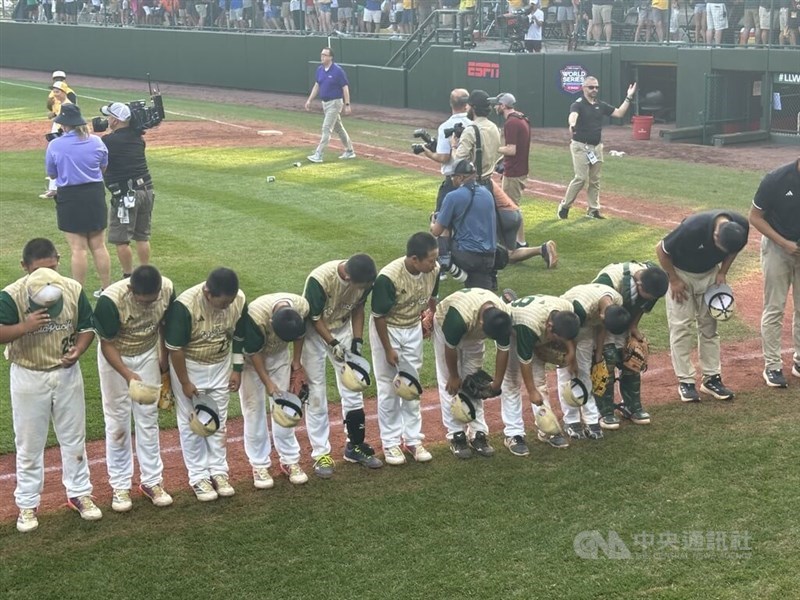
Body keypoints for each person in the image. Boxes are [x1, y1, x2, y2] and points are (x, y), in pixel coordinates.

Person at [1, 238, 99, 532]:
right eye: (40, 271)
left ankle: (80, 493)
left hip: (66, 373)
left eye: (53, 268)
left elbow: (86, 327)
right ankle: (27, 505)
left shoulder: (72, 289)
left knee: (74, 438)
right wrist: (24, 327)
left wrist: (79, 350)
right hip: (29, 375)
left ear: (59, 260)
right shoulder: (11, 296)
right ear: (24, 268)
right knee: (29, 444)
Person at [93, 265, 175, 512]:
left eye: (154, 299)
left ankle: (152, 482)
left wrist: (163, 359)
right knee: (117, 422)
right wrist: (127, 374)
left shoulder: (167, 289)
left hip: (146, 355)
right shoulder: (110, 301)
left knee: (147, 419)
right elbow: (107, 344)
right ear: (131, 289)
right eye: (144, 300)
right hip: (116, 360)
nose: (150, 305)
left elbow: (164, 325)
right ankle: (120, 485)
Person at [164, 267, 247, 501]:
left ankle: (219, 472)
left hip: (220, 364)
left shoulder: (238, 299)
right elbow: (175, 349)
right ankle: (198, 476)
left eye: (230, 302)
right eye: (222, 303)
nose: (227, 307)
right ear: (208, 293)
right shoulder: (185, 306)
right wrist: (184, 382)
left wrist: (237, 368)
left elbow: (240, 335)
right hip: (190, 366)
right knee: (192, 423)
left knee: (218, 419)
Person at [302, 254, 382, 478]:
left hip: (342, 327)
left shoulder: (365, 279)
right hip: (315, 333)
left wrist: (357, 341)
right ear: (347, 276)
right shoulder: (320, 280)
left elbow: (358, 307)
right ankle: (321, 454)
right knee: (316, 391)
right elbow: (315, 318)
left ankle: (354, 446)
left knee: (354, 386)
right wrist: (332, 343)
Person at [656, 210, 749, 402]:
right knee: (681, 327)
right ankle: (685, 381)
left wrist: (722, 271)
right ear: (715, 235)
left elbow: (733, 250)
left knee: (709, 326)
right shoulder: (692, 227)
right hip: (681, 274)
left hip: (710, 275)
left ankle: (711, 379)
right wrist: (673, 280)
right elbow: (661, 250)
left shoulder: (740, 227)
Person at [370, 232, 439, 466]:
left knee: (412, 386)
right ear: (413, 259)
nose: (434, 263)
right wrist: (388, 349)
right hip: (387, 329)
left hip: (412, 328)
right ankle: (390, 443)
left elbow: (433, 296)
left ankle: (412, 439)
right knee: (389, 386)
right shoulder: (388, 278)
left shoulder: (433, 270)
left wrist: (431, 315)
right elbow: (379, 317)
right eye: (430, 259)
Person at [235, 292, 311, 486]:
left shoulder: (301, 307)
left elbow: (299, 336)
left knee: (285, 408)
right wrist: (267, 382)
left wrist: (296, 364)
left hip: (279, 357)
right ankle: (259, 464)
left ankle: (290, 460)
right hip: (252, 362)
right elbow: (254, 352)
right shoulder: (255, 317)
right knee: (254, 410)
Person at [433, 288, 512, 459]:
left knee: (474, 383)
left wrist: (497, 383)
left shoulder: (503, 318)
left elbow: (503, 350)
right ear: (482, 324)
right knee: (450, 384)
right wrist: (454, 376)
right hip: (445, 328)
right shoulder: (458, 317)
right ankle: (456, 435)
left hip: (473, 335)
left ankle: (478, 433)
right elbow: (450, 347)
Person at [45, 103, 113, 298]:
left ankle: (78, 293)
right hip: (94, 194)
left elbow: (51, 173)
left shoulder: (55, 145)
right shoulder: (97, 142)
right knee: (99, 245)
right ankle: (107, 288)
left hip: (70, 196)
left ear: (64, 125)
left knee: (78, 248)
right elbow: (103, 167)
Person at [592, 261, 669, 428]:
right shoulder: (610, 280)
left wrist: (633, 327)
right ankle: (604, 410)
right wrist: (599, 351)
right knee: (608, 357)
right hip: (601, 320)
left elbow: (641, 305)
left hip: (623, 318)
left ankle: (631, 406)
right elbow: (600, 317)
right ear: (639, 284)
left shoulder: (655, 282)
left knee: (632, 358)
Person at [500, 293, 581, 453]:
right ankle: (513, 434)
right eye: (555, 338)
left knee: (540, 383)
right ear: (549, 326)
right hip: (513, 329)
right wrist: (531, 392)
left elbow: (569, 335)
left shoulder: (567, 309)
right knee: (511, 382)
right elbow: (525, 361)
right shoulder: (528, 325)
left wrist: (572, 355)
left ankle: (547, 429)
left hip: (536, 325)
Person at [748, 158, 800, 388]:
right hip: (777, 248)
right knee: (775, 307)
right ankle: (772, 366)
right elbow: (755, 217)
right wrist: (784, 243)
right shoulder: (776, 179)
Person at [556, 284, 630, 441]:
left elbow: (603, 327)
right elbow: (570, 333)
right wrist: (571, 356)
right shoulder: (581, 307)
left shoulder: (616, 301)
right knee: (567, 374)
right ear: (601, 314)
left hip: (588, 326)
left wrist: (598, 355)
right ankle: (571, 420)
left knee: (584, 373)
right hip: (566, 326)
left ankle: (591, 418)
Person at [491, 91, 558, 268]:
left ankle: (521, 245)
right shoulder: (521, 118)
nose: (495, 107)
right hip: (519, 169)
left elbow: (511, 150)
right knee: (514, 207)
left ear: (504, 105)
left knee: (510, 209)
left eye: (497, 104)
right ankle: (521, 242)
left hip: (513, 172)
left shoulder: (511, 123)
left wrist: (494, 148)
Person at [556, 76, 637, 220]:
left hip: (596, 147)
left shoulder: (600, 105)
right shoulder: (578, 104)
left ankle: (593, 210)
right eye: (591, 87)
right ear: (583, 88)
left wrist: (628, 97)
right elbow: (573, 116)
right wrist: (572, 124)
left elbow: (619, 113)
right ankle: (565, 206)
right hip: (580, 146)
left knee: (595, 180)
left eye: (596, 87)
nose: (594, 90)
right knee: (580, 178)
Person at [416, 88, 472, 273]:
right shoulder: (474, 125)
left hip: (452, 180)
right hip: (475, 180)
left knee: (441, 219)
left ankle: (445, 261)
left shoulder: (445, 127)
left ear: (451, 104)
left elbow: (444, 158)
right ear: (467, 104)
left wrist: (426, 151)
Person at [100, 102, 156, 280]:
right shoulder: (138, 139)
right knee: (142, 236)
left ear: (115, 121)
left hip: (126, 196)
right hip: (146, 190)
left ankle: (128, 277)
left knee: (121, 239)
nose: (107, 119)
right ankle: (146, 275)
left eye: (109, 116)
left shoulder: (109, 141)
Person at [430, 159, 497, 290]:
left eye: (452, 176)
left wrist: (432, 222)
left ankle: (447, 265)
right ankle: (490, 278)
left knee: (443, 226)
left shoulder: (453, 196)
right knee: (481, 295)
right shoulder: (487, 193)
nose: (451, 179)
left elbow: (437, 231)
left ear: (460, 177)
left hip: (467, 256)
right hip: (490, 257)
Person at [305, 48, 355, 163]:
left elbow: (345, 88)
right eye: (321, 55)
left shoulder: (338, 71)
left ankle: (319, 154)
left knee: (326, 128)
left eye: (325, 55)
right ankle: (350, 151)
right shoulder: (320, 70)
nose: (322, 57)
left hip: (335, 103)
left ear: (330, 57)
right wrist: (309, 100)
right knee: (339, 128)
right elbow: (317, 85)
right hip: (325, 104)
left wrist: (347, 104)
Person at [452, 89, 502, 187]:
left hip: (474, 185)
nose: (466, 107)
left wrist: (453, 146)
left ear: (473, 108)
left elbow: (459, 160)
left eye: (468, 105)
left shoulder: (470, 130)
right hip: (489, 183)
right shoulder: (494, 127)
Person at [41, 72, 77, 199]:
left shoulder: (68, 103)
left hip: (63, 131)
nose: (54, 94)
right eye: (54, 91)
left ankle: (55, 189)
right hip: (59, 128)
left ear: (63, 91)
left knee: (58, 157)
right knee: (57, 157)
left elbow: (69, 119)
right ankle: (54, 188)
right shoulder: (59, 100)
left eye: (57, 91)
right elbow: (51, 107)